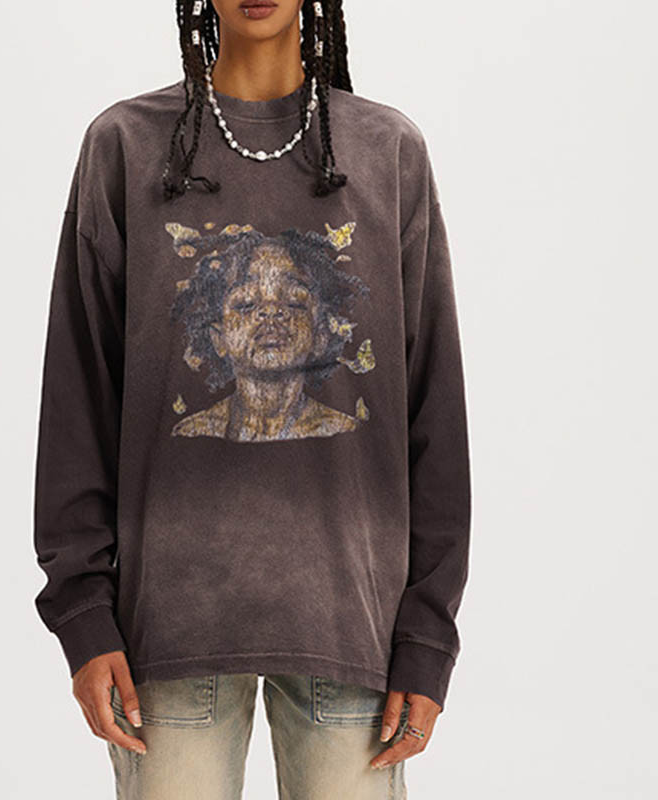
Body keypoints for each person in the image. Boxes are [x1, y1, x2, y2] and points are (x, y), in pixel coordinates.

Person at [32, 1, 472, 797]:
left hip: (354, 630)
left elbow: (433, 402)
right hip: (166, 634)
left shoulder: (386, 152)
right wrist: (83, 614)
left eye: (293, 300)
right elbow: (78, 394)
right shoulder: (125, 146)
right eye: (243, 302)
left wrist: (428, 634)